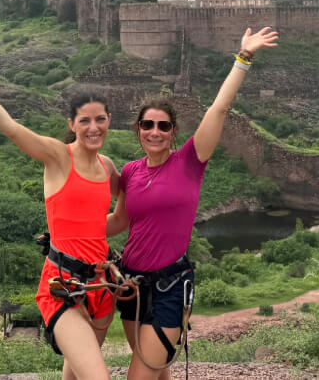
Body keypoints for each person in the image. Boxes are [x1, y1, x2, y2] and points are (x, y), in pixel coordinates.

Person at [0, 45, 119, 380]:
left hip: (101, 287)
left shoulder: (108, 167)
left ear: (109, 121)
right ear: (72, 124)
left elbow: (126, 208)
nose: (94, 128)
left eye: (100, 119)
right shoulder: (58, 156)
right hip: (62, 286)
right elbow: (11, 128)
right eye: (85, 120)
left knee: (75, 374)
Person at [107, 27, 278, 380]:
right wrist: (69, 230)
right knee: (159, 371)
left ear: (173, 131)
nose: (155, 131)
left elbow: (219, 108)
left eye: (163, 126)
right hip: (131, 286)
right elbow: (120, 221)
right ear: (137, 129)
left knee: (140, 375)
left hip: (170, 286)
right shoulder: (130, 171)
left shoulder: (189, 162)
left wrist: (243, 58)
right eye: (147, 124)